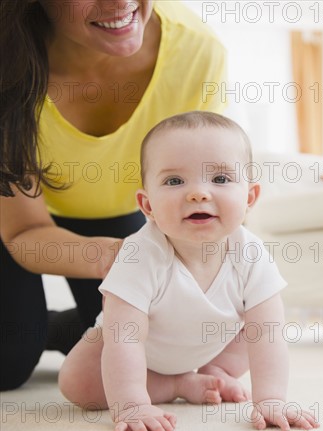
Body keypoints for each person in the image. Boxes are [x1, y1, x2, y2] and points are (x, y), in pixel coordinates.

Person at [0, 0, 226, 391]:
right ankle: (29, 332)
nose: (120, 3)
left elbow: (204, 194)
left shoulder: (197, 52)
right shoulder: (7, 58)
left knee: (157, 346)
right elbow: (24, 231)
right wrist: (107, 256)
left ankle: (50, 327)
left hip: (112, 207)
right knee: (9, 359)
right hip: (14, 220)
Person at [58, 111, 320, 431]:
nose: (198, 193)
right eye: (174, 181)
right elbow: (124, 339)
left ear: (250, 197)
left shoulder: (252, 255)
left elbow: (268, 333)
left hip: (210, 343)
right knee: (76, 381)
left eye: (220, 180)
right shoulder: (139, 255)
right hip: (138, 351)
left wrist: (271, 399)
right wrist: (131, 403)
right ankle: (175, 385)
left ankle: (217, 370)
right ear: (148, 205)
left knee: (258, 322)